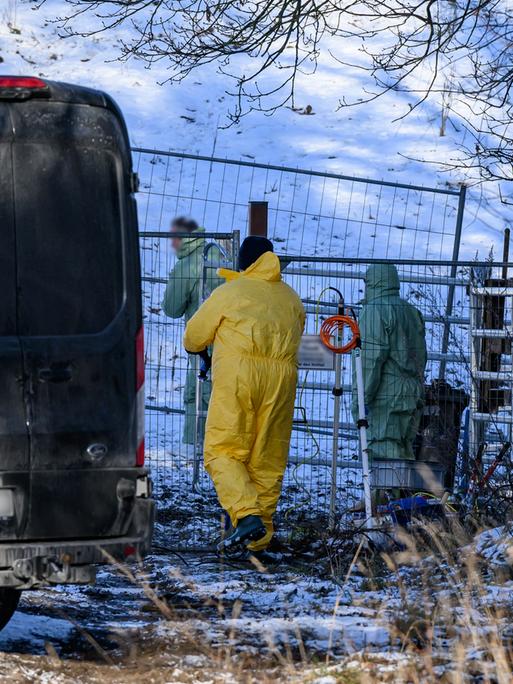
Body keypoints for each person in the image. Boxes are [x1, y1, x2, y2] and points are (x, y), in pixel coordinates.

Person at [183, 237, 305, 552]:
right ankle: (257, 543)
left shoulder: (229, 293)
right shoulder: (292, 299)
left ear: (244, 262)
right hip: (281, 383)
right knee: (266, 459)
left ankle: (247, 515)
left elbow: (193, 337)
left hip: (239, 378)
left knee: (221, 451)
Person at [353, 263, 427, 461]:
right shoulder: (411, 311)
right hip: (411, 392)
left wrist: (360, 399)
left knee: (382, 453)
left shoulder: (375, 311)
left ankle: (384, 492)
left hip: (386, 396)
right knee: (404, 451)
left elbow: (370, 360)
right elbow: (422, 355)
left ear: (372, 282)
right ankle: (403, 493)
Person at [162, 217, 223, 445]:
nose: (171, 244)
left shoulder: (187, 266)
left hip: (202, 341)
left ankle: (195, 449)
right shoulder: (221, 256)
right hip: (231, 340)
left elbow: (171, 308)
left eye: (173, 238)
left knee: (197, 393)